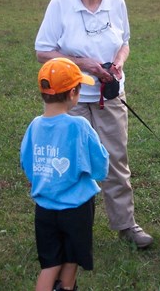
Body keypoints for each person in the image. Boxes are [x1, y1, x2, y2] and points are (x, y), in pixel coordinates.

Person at [34, 0, 153, 249]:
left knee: (116, 160)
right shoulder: (61, 2)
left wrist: (119, 61)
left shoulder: (116, 2)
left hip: (110, 94)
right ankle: (69, 226)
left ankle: (126, 225)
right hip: (69, 98)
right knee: (71, 161)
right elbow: (42, 51)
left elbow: (125, 41)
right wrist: (83, 63)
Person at [20, 58, 109, 291]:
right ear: (72, 93)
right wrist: (98, 173)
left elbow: (27, 163)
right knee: (70, 262)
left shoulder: (34, 126)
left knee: (49, 265)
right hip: (76, 210)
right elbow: (100, 165)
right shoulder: (79, 126)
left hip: (44, 209)